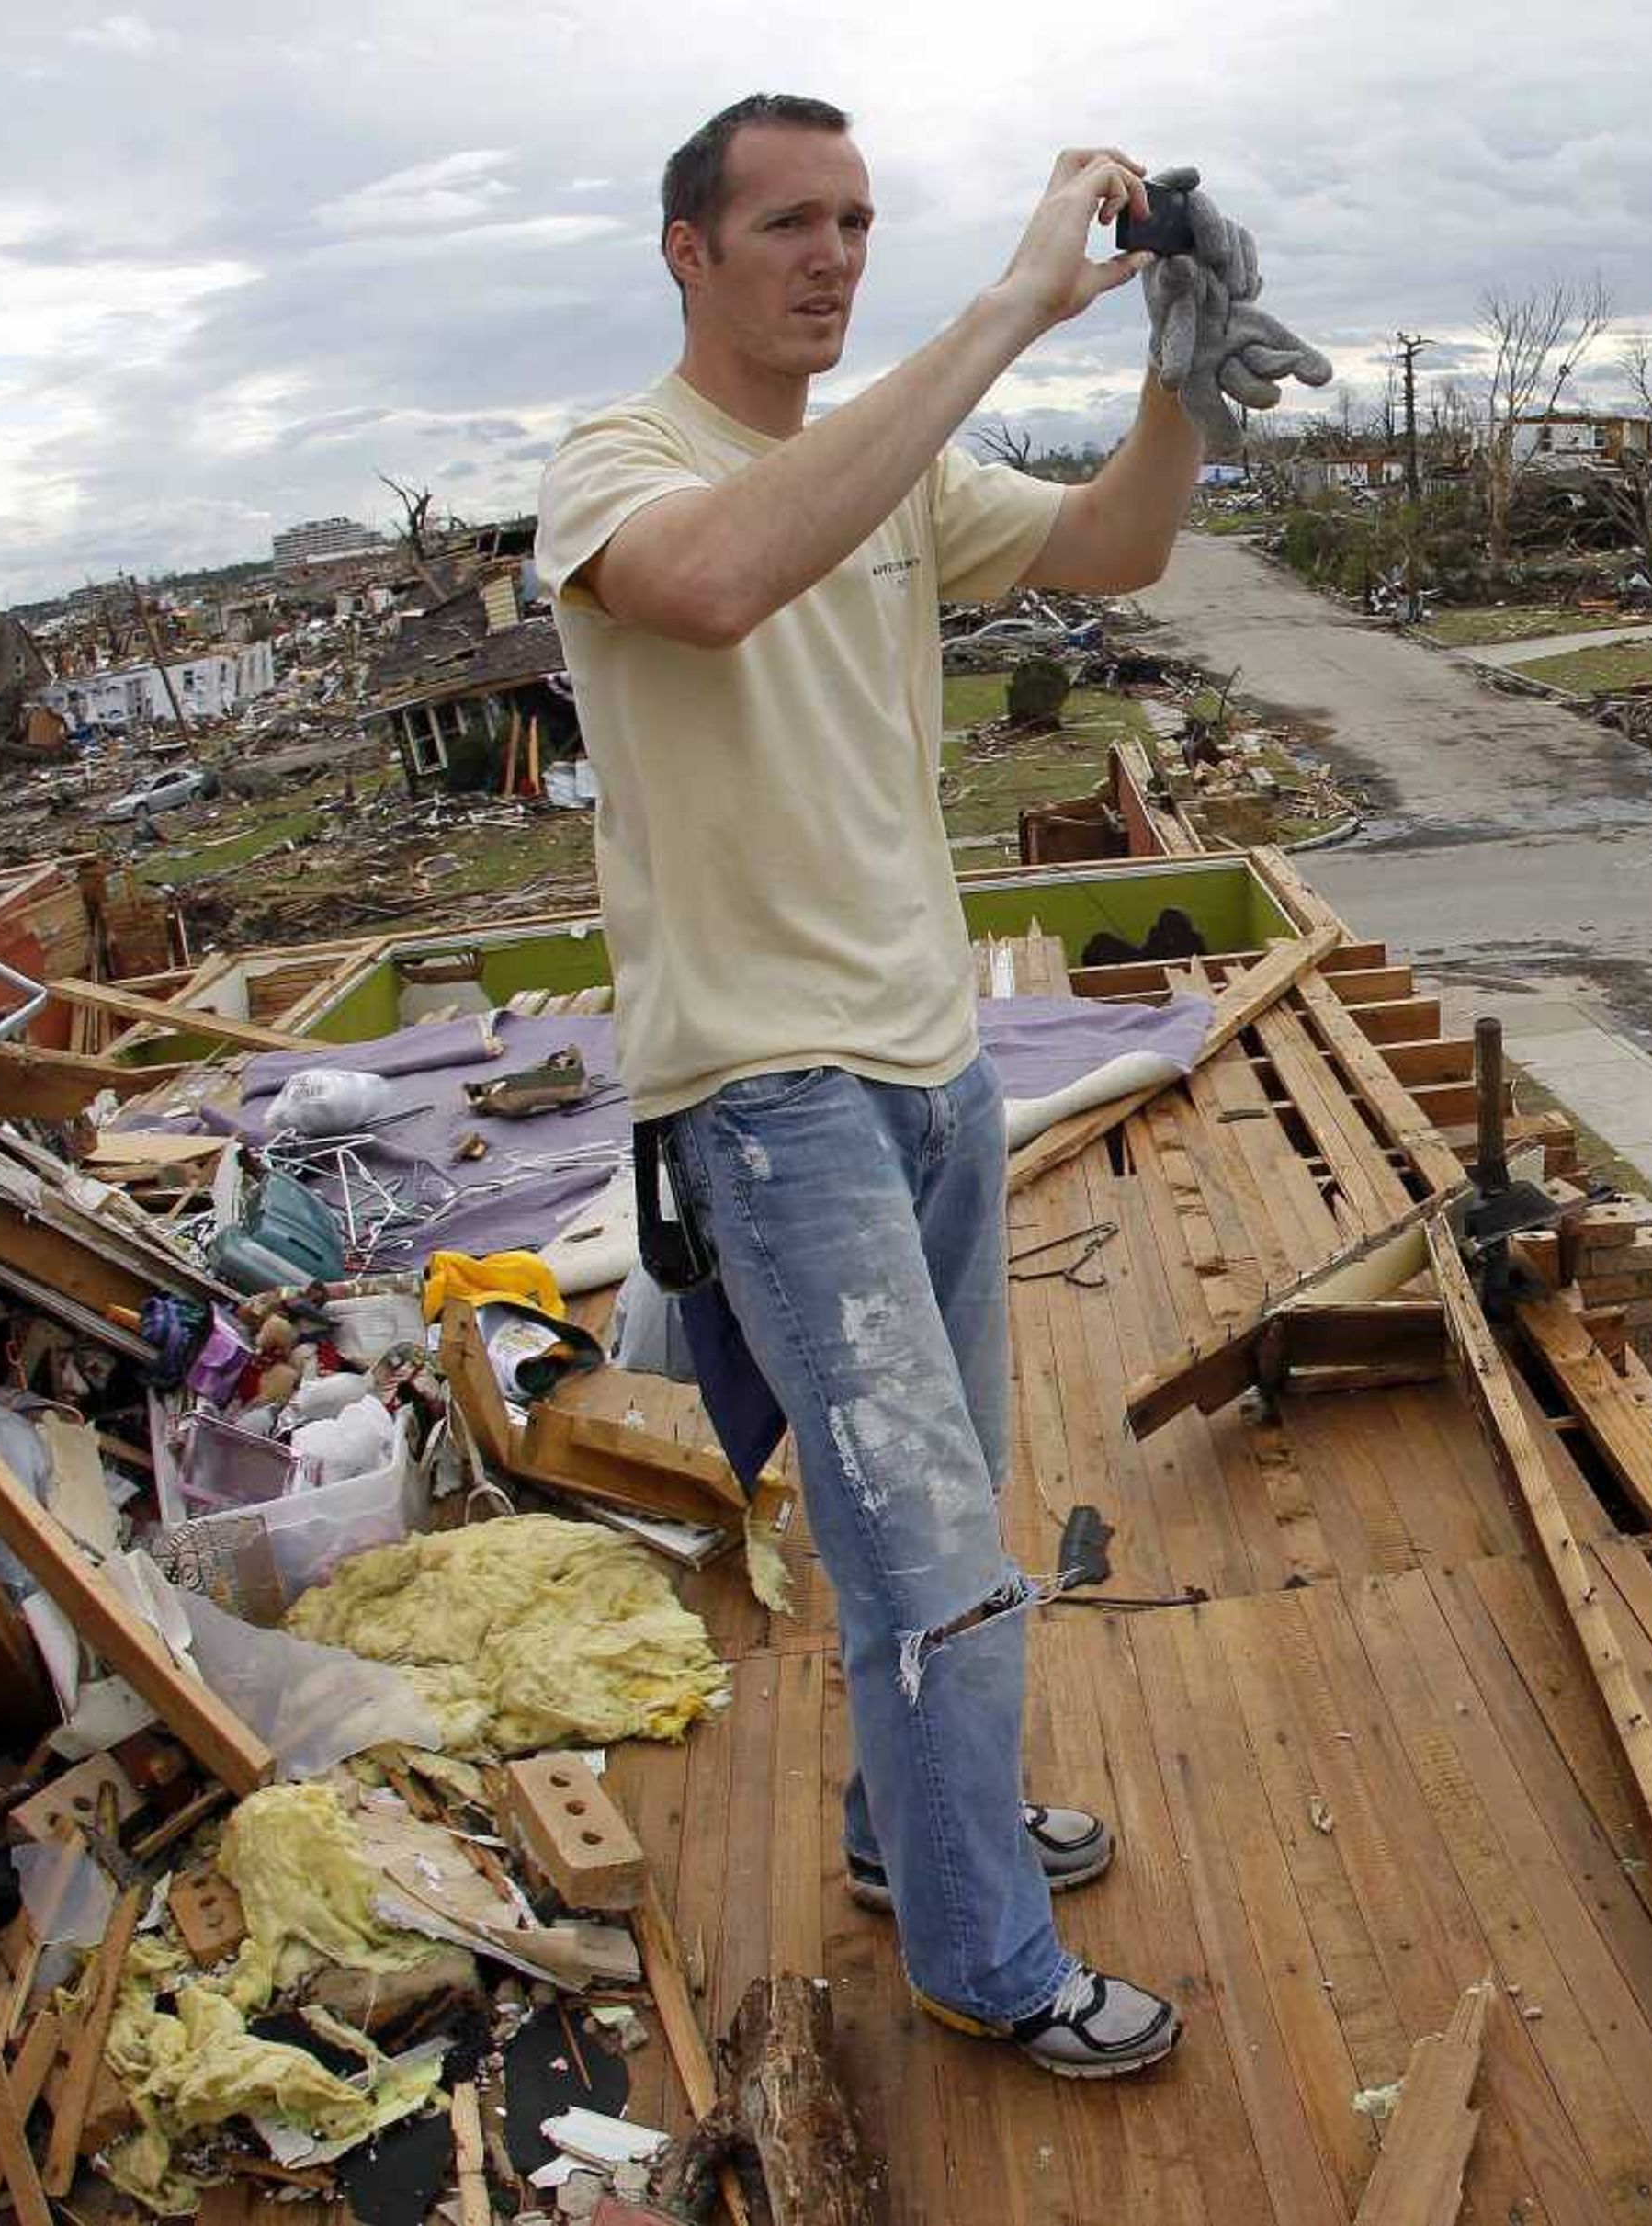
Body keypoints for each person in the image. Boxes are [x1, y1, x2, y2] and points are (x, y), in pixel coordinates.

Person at [535, 94, 1290, 2081]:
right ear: (687, 250)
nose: (831, 255)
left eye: (857, 221)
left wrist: (1172, 372)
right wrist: (1004, 307)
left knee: (929, 1527)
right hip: (772, 1106)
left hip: (932, 1066)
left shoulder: (890, 472)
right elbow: (710, 586)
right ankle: (982, 1951)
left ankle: (904, 1830)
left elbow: (1118, 546)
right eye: (788, 221)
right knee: (934, 1558)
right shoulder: (621, 469)